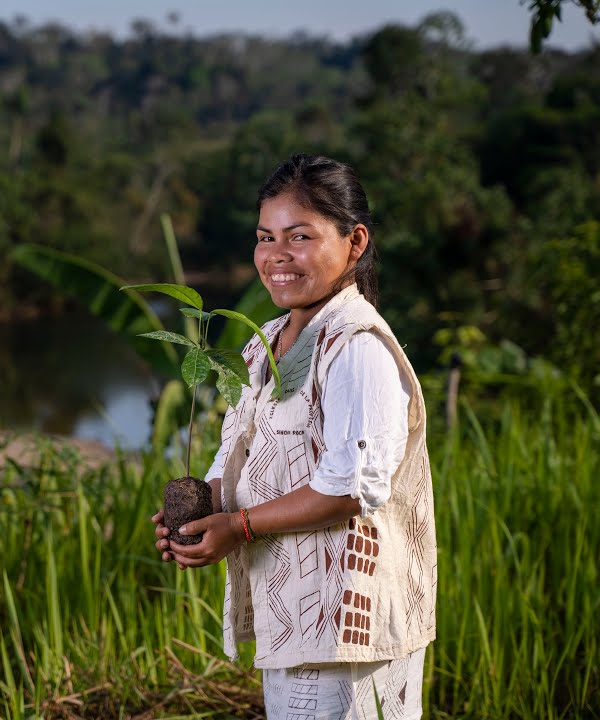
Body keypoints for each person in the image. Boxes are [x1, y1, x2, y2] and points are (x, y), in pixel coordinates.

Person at [151, 154, 437, 719]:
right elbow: (242, 456)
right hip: (293, 617)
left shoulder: (358, 347)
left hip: (348, 626)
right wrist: (200, 515)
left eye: (300, 236)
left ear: (355, 243)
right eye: (266, 237)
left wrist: (237, 526)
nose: (276, 255)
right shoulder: (266, 342)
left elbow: (350, 488)